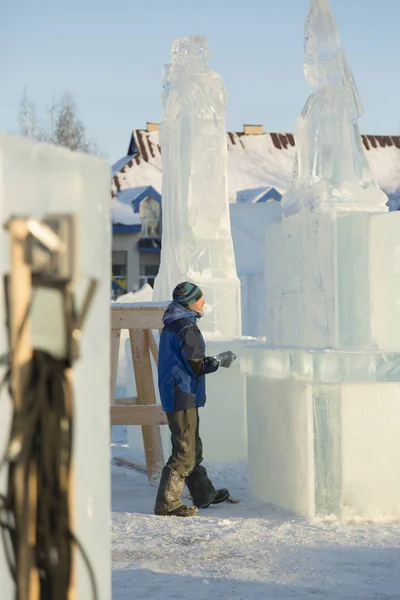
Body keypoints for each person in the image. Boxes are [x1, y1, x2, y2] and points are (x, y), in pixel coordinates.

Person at [154, 281, 236, 517]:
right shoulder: (186, 327)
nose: (204, 303)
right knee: (184, 452)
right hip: (182, 394)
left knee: (192, 448)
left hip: (178, 392)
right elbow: (197, 366)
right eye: (200, 299)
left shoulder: (173, 324)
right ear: (189, 303)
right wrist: (219, 360)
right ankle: (167, 502)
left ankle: (203, 493)